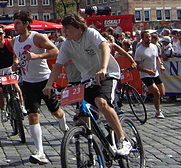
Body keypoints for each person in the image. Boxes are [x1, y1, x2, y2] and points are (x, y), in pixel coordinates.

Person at [44, 13, 132, 157]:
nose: (64, 32)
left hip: (107, 74)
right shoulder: (67, 44)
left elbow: (104, 47)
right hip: (86, 79)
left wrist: (103, 68)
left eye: (67, 28)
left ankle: (123, 139)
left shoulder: (90, 33)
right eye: (63, 29)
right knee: (82, 115)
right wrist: (49, 85)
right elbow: (58, 66)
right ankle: (99, 141)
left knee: (101, 102)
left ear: (78, 27)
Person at [12, 10, 66, 165]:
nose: (15, 26)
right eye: (14, 22)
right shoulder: (14, 41)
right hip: (28, 83)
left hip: (45, 81)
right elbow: (17, 55)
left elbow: (55, 51)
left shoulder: (37, 37)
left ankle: (63, 122)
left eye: (18, 23)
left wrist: (37, 56)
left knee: (55, 112)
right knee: (33, 115)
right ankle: (40, 151)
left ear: (27, 24)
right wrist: (15, 64)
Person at [134, 30, 167, 119]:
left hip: (155, 73)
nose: (149, 39)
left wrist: (161, 65)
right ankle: (158, 111)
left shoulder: (154, 46)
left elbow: (157, 57)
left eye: (150, 37)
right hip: (145, 74)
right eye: (147, 37)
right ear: (142, 38)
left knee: (162, 93)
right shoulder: (139, 50)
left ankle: (146, 88)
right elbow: (136, 66)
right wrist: (147, 71)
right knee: (156, 92)